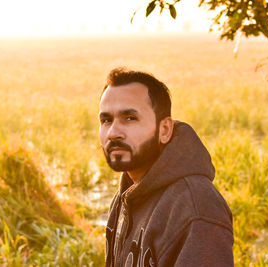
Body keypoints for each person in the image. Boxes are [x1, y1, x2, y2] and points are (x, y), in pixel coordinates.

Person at [98, 67, 233, 267]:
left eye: (130, 118)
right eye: (106, 120)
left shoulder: (196, 208)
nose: (113, 132)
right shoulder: (127, 194)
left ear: (164, 130)